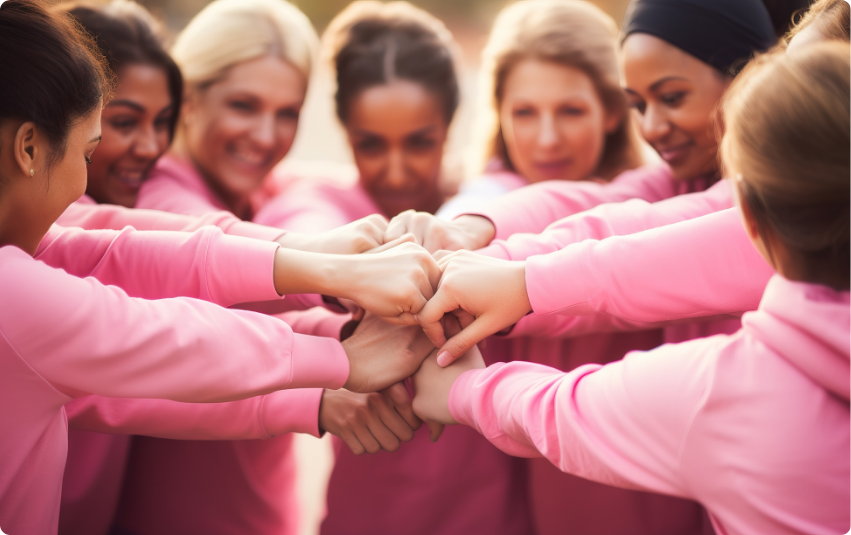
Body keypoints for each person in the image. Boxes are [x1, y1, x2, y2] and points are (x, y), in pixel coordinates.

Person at [0, 3, 436, 533]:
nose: (82, 189)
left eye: (287, 112)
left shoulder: (27, 254)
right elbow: (166, 336)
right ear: (27, 148)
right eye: (88, 152)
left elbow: (119, 250)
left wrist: (327, 267)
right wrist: (339, 354)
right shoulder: (14, 286)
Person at [413, 41, 851, 535]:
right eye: (639, 102)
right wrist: (477, 242)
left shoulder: (726, 393)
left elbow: (560, 410)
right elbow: (615, 210)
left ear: (745, 214)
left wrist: (463, 389)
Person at [256, 4, 535, 534]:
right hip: (369, 514)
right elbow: (299, 232)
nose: (397, 169)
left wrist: (456, 231)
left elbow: (508, 194)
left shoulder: (486, 209)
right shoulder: (324, 206)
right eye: (371, 145)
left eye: (419, 141)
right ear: (345, 133)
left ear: (450, 125)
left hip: (496, 516)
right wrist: (348, 297)